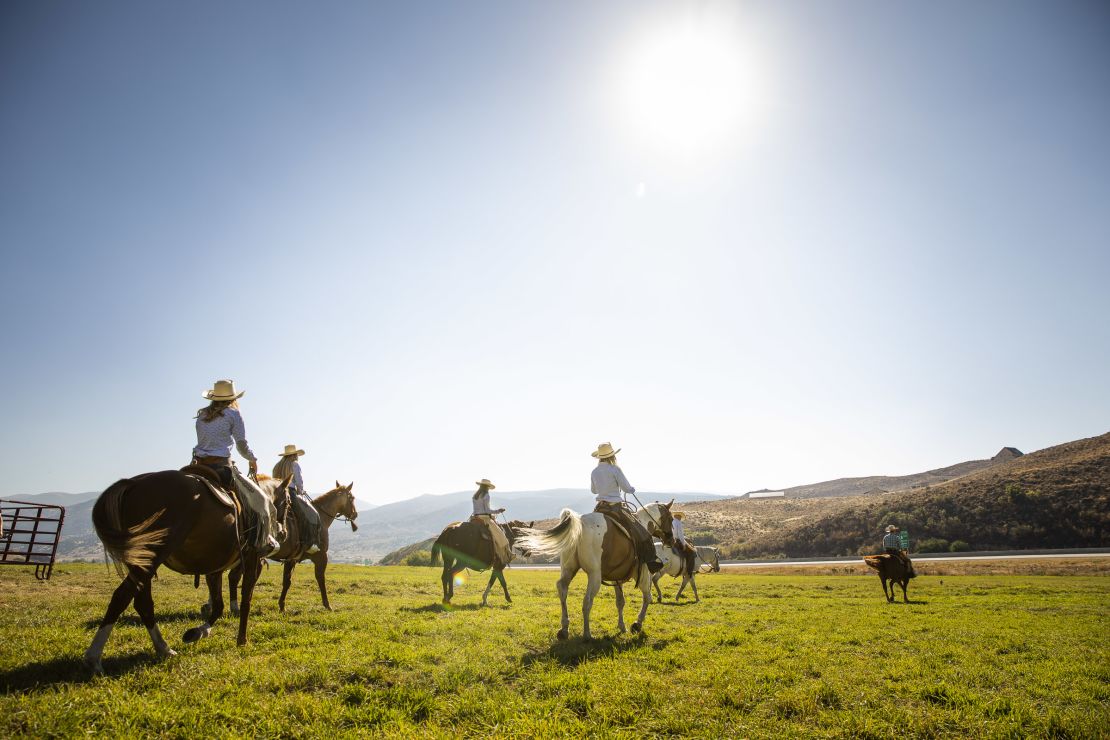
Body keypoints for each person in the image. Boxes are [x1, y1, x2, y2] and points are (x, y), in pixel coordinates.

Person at [192, 379, 280, 554]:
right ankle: (260, 541)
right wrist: (252, 459)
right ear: (232, 397)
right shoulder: (233, 414)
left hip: (197, 465)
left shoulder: (202, 416)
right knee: (260, 500)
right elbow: (241, 445)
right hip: (221, 467)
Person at [590, 442, 664, 573]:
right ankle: (651, 561)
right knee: (643, 532)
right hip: (615, 508)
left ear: (600, 457)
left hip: (600, 508)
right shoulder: (615, 469)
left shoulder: (594, 471)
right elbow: (627, 488)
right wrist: (631, 489)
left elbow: (594, 491)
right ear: (612, 456)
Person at [273, 444, 321, 555]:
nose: (297, 457)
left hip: (276, 493)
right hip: (290, 492)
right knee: (309, 514)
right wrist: (300, 492)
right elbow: (299, 482)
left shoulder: (277, 466)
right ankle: (308, 542)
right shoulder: (294, 464)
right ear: (294, 455)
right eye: (297, 455)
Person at [470, 479, 513, 567]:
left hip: (475, 517)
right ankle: (505, 555)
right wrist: (498, 511)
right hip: (484, 518)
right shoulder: (486, 495)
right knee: (501, 537)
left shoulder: (475, 495)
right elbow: (487, 510)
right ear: (487, 487)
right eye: (488, 487)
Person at [671, 511, 698, 576]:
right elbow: (680, 535)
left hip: (671, 540)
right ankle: (689, 571)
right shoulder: (678, 522)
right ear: (677, 516)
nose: (680, 518)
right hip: (677, 541)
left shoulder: (671, 522)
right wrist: (683, 544)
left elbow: (675, 533)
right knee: (692, 552)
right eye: (680, 516)